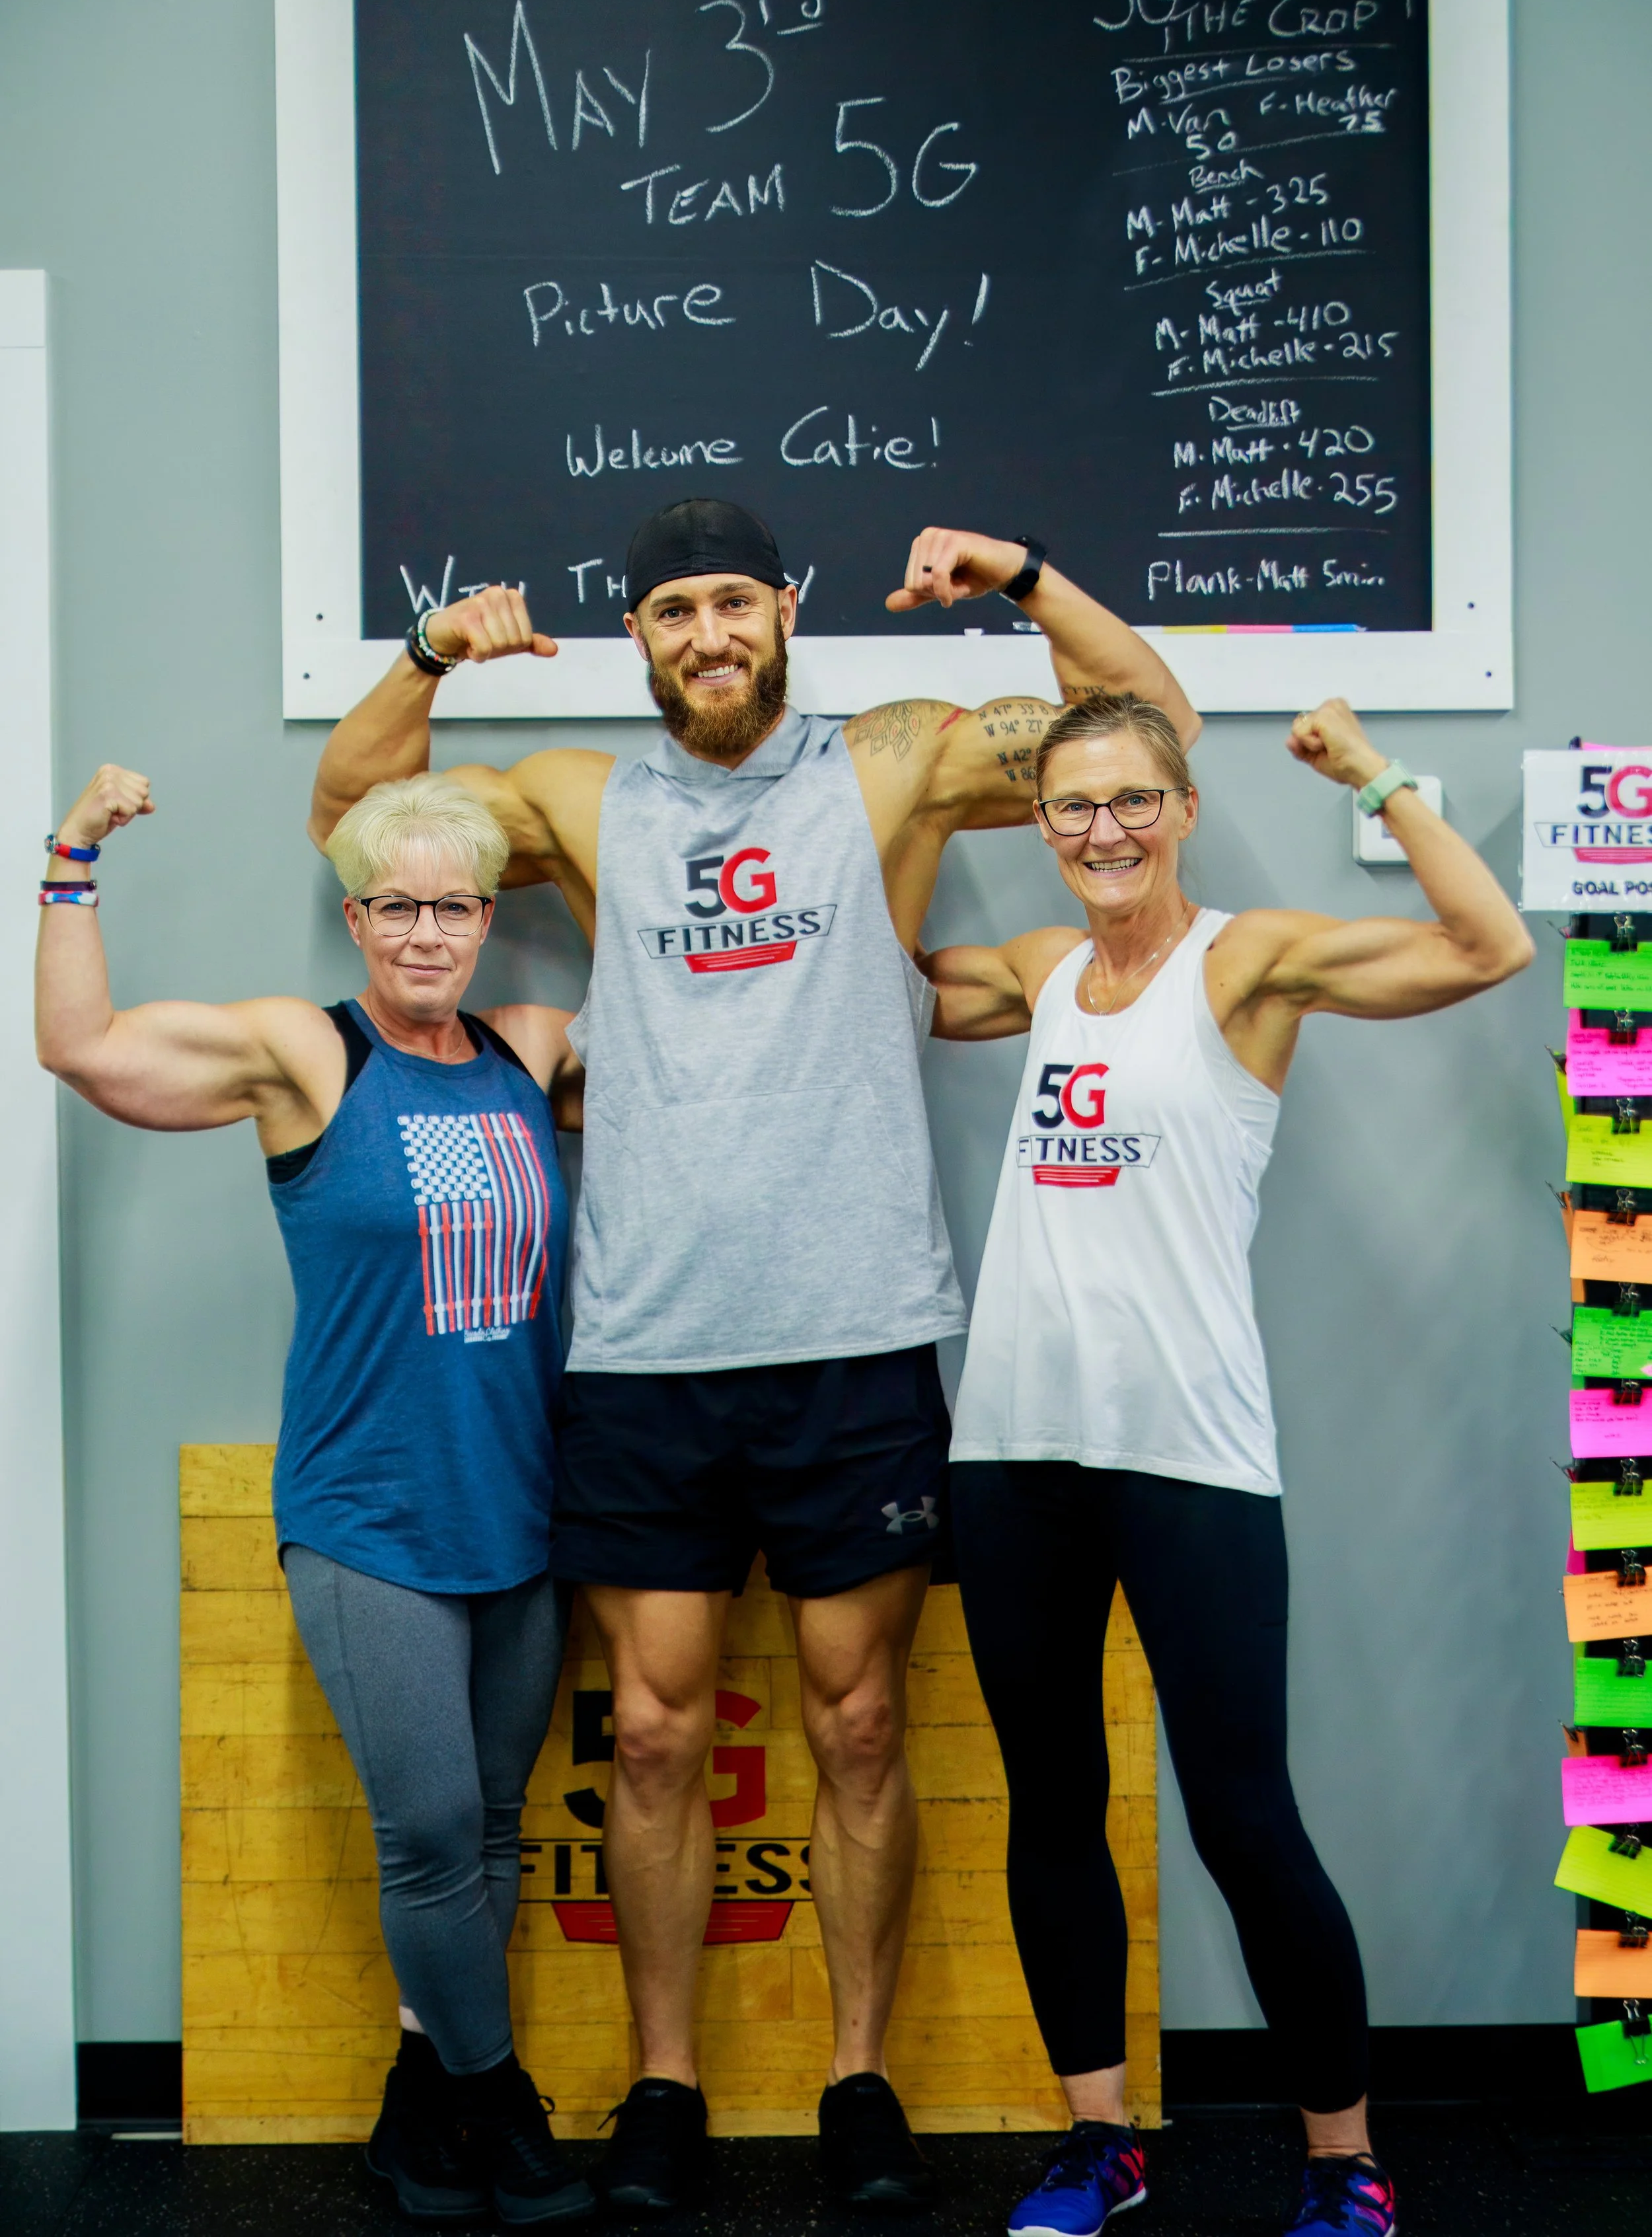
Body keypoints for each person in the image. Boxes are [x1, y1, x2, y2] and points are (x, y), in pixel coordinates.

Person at [307, 498, 1202, 2212]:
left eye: (731, 599)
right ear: (635, 634)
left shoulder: (889, 763)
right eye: (670, 610)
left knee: (859, 1721)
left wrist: (1020, 576)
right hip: (644, 1342)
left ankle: (856, 2074)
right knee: (649, 1732)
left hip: (854, 1329)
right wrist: (428, 651)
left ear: (782, 607)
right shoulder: (581, 796)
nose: (705, 632)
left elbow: (1139, 724)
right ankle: (665, 2082)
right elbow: (353, 817)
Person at [924, 691, 1534, 2237]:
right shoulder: (1034, 972)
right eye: (1072, 808)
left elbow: (1486, 948)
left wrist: (1377, 780)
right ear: (1043, 825)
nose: (1103, 832)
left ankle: (1344, 2161)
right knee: (1049, 1802)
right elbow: (855, 985)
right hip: (1010, 1453)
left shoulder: (1244, 961)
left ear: (1181, 807)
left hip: (1184, 1452)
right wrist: (901, 805)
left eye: (1131, 801)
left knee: (1242, 1818)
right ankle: (1097, 2142)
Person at [36, 764, 595, 2228]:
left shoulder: (529, 1048)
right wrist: (73, 853)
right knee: (422, 1835)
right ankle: (505, 2112)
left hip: (522, 1510)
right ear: (357, 918)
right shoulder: (311, 1054)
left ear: (487, 917)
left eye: (454, 905)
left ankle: (419, 2128)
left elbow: (718, 1053)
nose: (426, 932)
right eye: (396, 905)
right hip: (369, 1515)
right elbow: (79, 1045)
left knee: (488, 1832)